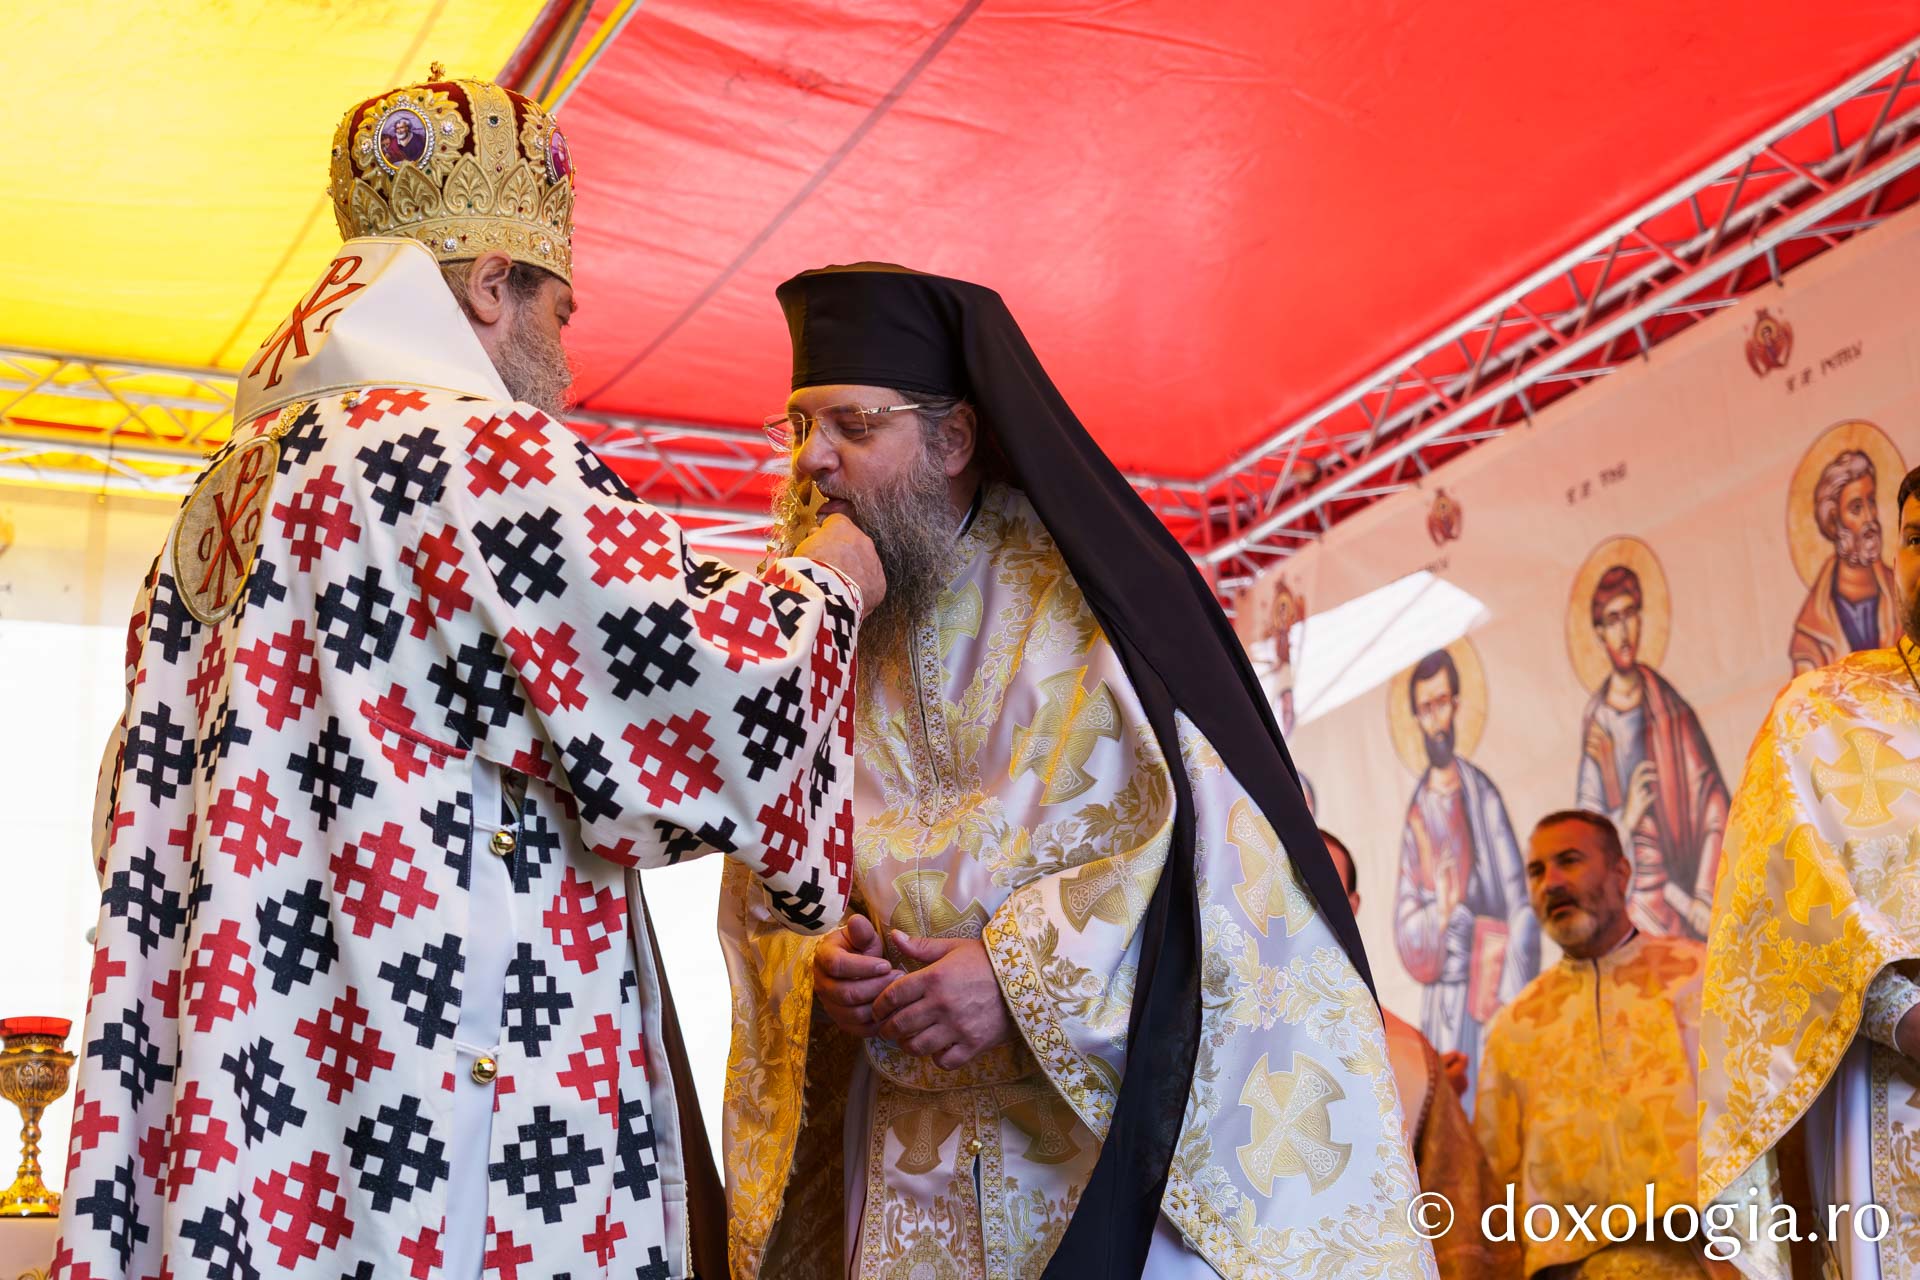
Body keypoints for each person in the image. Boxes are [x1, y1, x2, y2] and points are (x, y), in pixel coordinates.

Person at [54, 71, 883, 1280]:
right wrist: (831, 584)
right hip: (437, 1100)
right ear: (494, 284)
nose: (561, 351)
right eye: (560, 309)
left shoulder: (231, 485)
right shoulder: (468, 453)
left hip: (256, 1102)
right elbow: (694, 686)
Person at [718, 264, 1433, 1279]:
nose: (811, 463)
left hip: (1090, 1149)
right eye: (796, 428)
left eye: (851, 427)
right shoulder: (819, 625)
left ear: (955, 438)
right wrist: (826, 961)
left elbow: (1222, 880)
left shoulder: (1090, 613)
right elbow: (769, 870)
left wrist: (1015, 977)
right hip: (901, 1162)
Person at [1699, 465, 1920, 1280]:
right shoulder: (1823, 712)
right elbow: (1783, 902)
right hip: (1901, 1087)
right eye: (1916, 539)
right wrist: (1904, 1013)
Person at [1475, 811, 1719, 1278]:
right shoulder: (1515, 1027)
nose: (1552, 883)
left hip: (1703, 1257)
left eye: (1569, 861)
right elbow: (1496, 1177)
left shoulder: (1699, 977)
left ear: (1621, 873)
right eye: (1537, 871)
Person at [1325, 830, 1519, 1280]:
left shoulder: (1409, 1056)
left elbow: (1459, 1227)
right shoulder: (1192, 1019)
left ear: (1353, 908)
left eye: (1323, 884)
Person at [1393, 648, 1537, 1101]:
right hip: (1447, 1006)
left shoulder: (1483, 795)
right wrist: (1440, 915)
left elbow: (1520, 904)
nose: (1436, 719)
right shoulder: (1416, 815)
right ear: (1416, 717)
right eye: (1425, 708)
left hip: (1495, 992)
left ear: (1456, 705)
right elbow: (1404, 925)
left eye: (1442, 703)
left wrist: (1508, 999)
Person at [1575, 567, 1729, 940]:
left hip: (1686, 900)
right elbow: (1583, 837)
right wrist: (1624, 821)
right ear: (1599, 633)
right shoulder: (1598, 727)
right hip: (1634, 908)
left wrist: (1706, 896)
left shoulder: (1667, 705)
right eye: (1613, 620)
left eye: (1630, 614)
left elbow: (1712, 800)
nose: (1624, 631)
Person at [1790, 449, 1901, 674]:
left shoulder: (1903, 598)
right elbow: (1808, 703)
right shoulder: (1812, 637)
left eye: (1871, 502)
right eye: (1856, 508)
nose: (1869, 517)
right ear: (1834, 521)